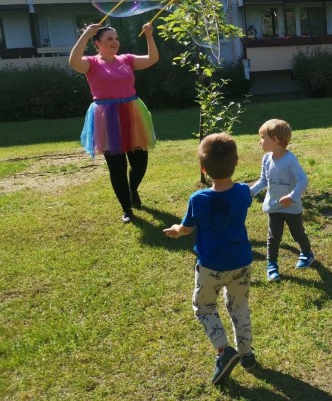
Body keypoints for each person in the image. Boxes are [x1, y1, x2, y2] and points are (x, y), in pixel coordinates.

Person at [163, 132, 257, 386]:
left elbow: (187, 228)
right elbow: (246, 193)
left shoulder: (198, 199)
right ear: (236, 161)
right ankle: (247, 355)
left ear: (203, 168)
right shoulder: (242, 193)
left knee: (203, 306)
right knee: (239, 307)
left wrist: (175, 230)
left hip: (210, 266)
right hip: (241, 262)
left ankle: (223, 350)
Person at [68, 22, 158, 223]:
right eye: (109, 38)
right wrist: (84, 35)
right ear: (97, 43)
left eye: (116, 38)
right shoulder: (90, 63)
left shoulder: (126, 59)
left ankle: (132, 188)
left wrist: (149, 36)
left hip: (131, 113)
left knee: (140, 163)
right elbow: (73, 61)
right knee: (117, 167)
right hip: (105, 117)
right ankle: (127, 208)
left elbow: (152, 59)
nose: (115, 42)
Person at [250, 119, 313, 281]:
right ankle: (272, 264)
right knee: (273, 236)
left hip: (292, 208)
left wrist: (292, 197)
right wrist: (251, 192)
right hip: (274, 206)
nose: (260, 141)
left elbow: (303, 180)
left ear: (276, 140)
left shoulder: (290, 159)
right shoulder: (266, 159)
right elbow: (264, 180)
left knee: (297, 233)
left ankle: (307, 253)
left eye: (263, 137)